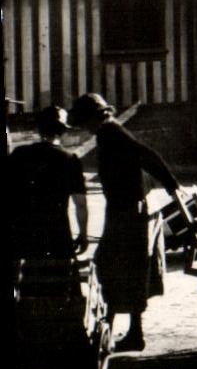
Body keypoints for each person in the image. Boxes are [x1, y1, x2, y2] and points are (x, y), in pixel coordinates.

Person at [67, 93, 180, 353]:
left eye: (86, 122)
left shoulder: (110, 133)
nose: (86, 128)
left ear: (96, 117)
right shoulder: (110, 132)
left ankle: (125, 331)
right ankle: (127, 331)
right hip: (125, 209)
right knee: (125, 270)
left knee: (112, 268)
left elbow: (147, 154)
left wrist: (171, 184)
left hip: (127, 212)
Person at [8, 104, 90, 260]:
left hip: (23, 236)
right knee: (61, 279)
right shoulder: (70, 160)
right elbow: (80, 204)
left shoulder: (19, 154)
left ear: (38, 128)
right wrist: (83, 235)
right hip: (57, 237)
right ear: (63, 131)